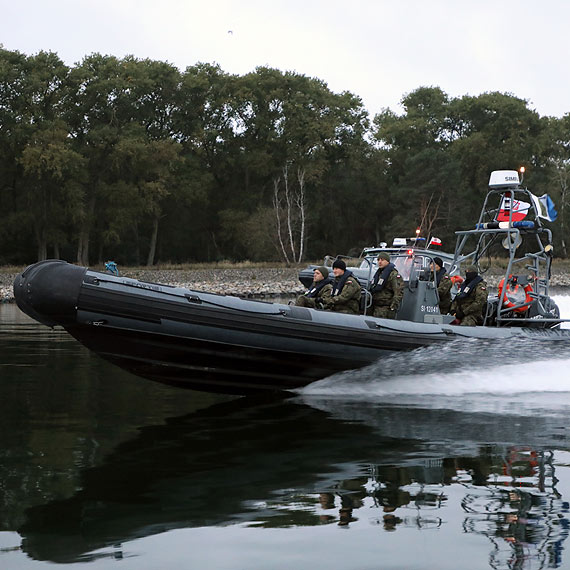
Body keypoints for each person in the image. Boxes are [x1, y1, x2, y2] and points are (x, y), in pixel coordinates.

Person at [369, 252, 404, 319]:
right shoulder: (379, 273)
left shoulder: (393, 275)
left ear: (387, 261)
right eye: (378, 260)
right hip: (375, 305)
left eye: (382, 260)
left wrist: (392, 308)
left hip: (385, 308)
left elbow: (398, 292)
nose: (380, 262)